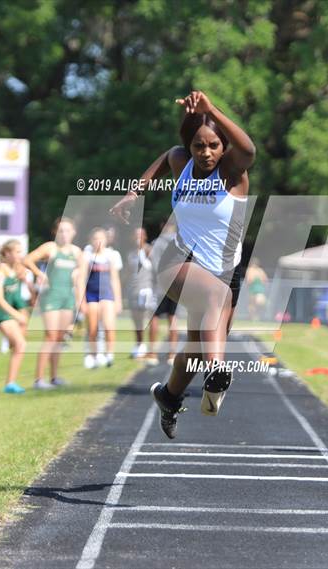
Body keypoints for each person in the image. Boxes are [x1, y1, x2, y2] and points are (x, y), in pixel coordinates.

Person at [111, 90, 256, 438]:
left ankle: (169, 396)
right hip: (177, 261)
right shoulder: (182, 162)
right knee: (214, 299)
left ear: (224, 148)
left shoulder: (233, 173)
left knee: (194, 347)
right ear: (189, 147)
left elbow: (249, 149)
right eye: (198, 146)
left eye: (213, 146)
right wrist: (135, 191)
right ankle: (217, 371)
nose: (205, 153)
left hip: (224, 270)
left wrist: (212, 111)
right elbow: (165, 157)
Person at [24, 217, 83, 389]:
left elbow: (81, 274)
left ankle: (54, 377)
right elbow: (27, 259)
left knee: (59, 337)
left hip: (67, 297)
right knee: (50, 336)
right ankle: (38, 380)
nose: (64, 234)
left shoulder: (76, 252)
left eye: (68, 230)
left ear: (74, 232)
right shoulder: (50, 247)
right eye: (61, 230)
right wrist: (39, 273)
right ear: (55, 232)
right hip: (51, 297)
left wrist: (78, 273)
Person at [81, 227, 122, 368]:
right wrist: (82, 301)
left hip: (107, 295)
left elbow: (115, 279)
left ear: (106, 240)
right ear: (91, 240)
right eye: (95, 238)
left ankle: (109, 354)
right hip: (91, 295)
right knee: (92, 328)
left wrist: (118, 300)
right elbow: (82, 279)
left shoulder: (112, 255)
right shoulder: (87, 256)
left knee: (109, 326)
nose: (98, 241)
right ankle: (92, 355)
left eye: (101, 238)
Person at [0, 240, 31, 393]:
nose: (19, 255)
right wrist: (17, 315)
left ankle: (10, 384)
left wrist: (23, 313)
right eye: (17, 252)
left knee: (20, 344)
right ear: (7, 253)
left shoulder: (17, 271)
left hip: (3, 315)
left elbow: (16, 297)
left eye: (21, 252)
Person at [149, 220, 178, 365]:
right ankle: (172, 354)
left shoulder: (157, 242)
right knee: (172, 317)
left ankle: (153, 353)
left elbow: (154, 266)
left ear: (162, 226)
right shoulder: (180, 242)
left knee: (155, 317)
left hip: (160, 284)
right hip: (176, 284)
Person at [126, 227, 157, 362]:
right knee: (136, 320)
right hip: (133, 290)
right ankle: (139, 346)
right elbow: (128, 273)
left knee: (149, 319)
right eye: (135, 235)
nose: (137, 237)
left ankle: (152, 350)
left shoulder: (148, 250)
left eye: (140, 234)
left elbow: (156, 268)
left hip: (146, 289)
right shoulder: (131, 253)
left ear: (144, 236)